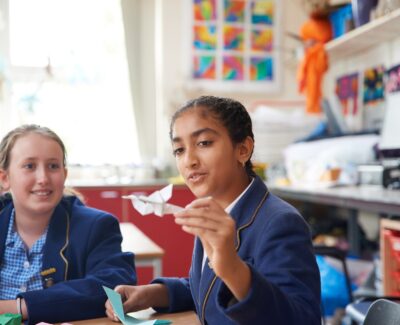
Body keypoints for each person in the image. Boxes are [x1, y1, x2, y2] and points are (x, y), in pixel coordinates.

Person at [105, 96, 321, 324]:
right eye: (179, 150)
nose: (189, 161)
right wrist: (152, 294)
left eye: (204, 143)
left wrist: (232, 268)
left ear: (243, 150)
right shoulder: (216, 211)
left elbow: (301, 319)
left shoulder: (280, 223)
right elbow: (209, 286)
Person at [0, 124, 137, 324]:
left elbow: (114, 286)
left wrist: (18, 307)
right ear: (5, 178)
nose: (43, 178)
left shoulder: (96, 226)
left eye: (53, 166)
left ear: (64, 174)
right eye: (29, 166)